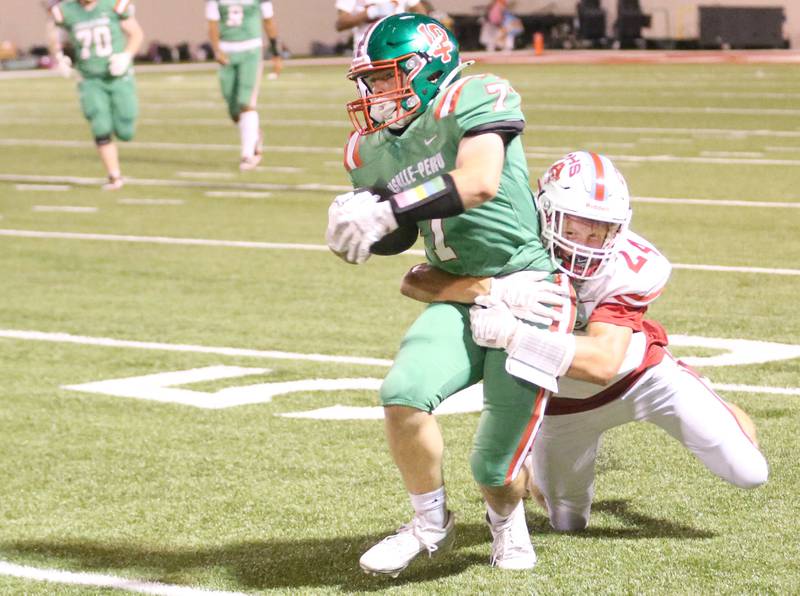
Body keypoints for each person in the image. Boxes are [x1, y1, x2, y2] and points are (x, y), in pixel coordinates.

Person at [401, 150, 769, 533]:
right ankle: (535, 458)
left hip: (644, 380)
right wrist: (492, 287)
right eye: (575, 226)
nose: (587, 242)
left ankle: (712, 401)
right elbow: (416, 279)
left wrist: (513, 335)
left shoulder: (630, 266)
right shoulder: (513, 241)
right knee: (567, 521)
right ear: (545, 212)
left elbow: (602, 365)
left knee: (750, 471)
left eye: (601, 229)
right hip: (564, 406)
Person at [326, 13, 568, 576]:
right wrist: (362, 227)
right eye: (369, 81)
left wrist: (391, 204)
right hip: (458, 290)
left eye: (385, 78)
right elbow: (404, 236)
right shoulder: (369, 148)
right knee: (402, 393)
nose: (373, 93)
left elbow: (480, 179)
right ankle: (428, 523)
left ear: (426, 68)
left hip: (529, 288)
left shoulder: (474, 95)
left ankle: (507, 520)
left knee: (494, 469)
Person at [47, 0, 144, 191]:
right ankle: (114, 176)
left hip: (118, 76)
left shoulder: (114, 5)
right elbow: (53, 34)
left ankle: (117, 161)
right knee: (100, 125)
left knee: (126, 130)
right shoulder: (66, 10)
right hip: (90, 78)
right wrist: (58, 56)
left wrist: (126, 55)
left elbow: (136, 34)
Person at [206, 0, 282, 171]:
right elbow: (212, 24)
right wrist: (217, 49)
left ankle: (248, 154)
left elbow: (268, 20)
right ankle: (254, 134)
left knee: (246, 102)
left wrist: (276, 54)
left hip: (251, 50)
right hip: (227, 51)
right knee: (233, 108)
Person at [334, 0, 425, 53]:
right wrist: (370, 12)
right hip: (367, 48)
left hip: (397, 45)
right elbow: (341, 23)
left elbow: (423, 17)